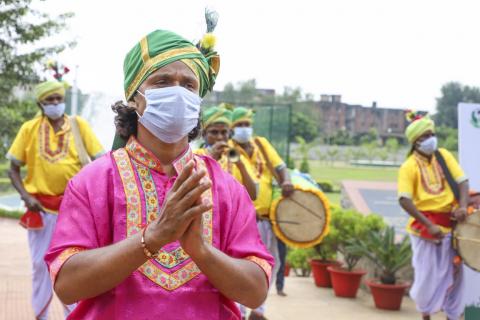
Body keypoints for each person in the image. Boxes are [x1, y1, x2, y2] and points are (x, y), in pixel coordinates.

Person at [44, 29, 274, 320]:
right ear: (134, 97)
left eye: (188, 85)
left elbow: (255, 292)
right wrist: (152, 238)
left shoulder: (226, 188)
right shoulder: (93, 182)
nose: (177, 91)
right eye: (162, 81)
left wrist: (201, 251)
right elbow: (67, 286)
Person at [6, 80, 104, 319]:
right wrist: (26, 196)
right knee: (40, 265)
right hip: (40, 210)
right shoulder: (29, 128)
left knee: (74, 263)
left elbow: (101, 160)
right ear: (41, 103)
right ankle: (42, 315)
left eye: (58, 99)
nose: (55, 104)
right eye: (49, 100)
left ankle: (75, 313)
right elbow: (13, 168)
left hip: (75, 211)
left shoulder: (78, 125)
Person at [397, 113, 468, 320]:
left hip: (453, 226)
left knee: (456, 276)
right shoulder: (408, 166)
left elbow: (462, 181)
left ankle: (451, 316)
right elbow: (404, 199)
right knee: (427, 280)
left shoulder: (444, 155)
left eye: (432, 134)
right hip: (425, 230)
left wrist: (463, 206)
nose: (431, 139)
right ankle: (426, 316)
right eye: (425, 136)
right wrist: (428, 225)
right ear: (416, 141)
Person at [230, 107, 293, 320]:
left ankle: (258, 310)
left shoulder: (261, 144)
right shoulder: (229, 149)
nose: (244, 129)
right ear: (232, 128)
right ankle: (238, 309)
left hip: (266, 218)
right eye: (239, 125)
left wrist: (286, 181)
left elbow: (281, 166)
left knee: (270, 262)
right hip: (240, 220)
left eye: (247, 124)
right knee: (240, 264)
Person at [195, 105, 257, 200]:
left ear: (229, 135)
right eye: (214, 132)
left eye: (224, 132)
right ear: (204, 135)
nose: (220, 137)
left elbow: (253, 196)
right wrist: (211, 158)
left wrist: (241, 166)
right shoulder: (196, 156)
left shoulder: (236, 157)